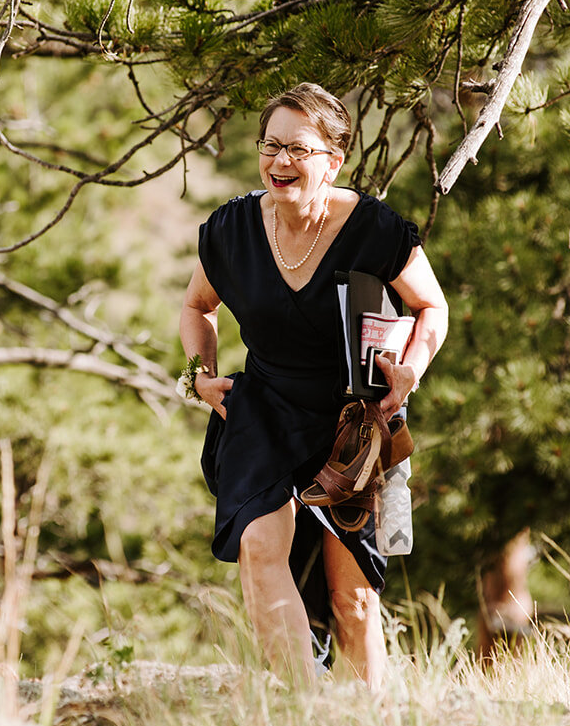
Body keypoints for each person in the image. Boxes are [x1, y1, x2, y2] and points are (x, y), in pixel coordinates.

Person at [178, 82, 449, 691]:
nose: (280, 162)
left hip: (351, 423)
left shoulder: (375, 230)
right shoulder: (231, 230)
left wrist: (409, 371)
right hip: (265, 410)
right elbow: (198, 307)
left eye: (298, 149)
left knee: (351, 598)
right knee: (258, 544)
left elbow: (432, 308)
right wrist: (199, 375)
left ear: (334, 159)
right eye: (270, 146)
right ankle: (305, 706)